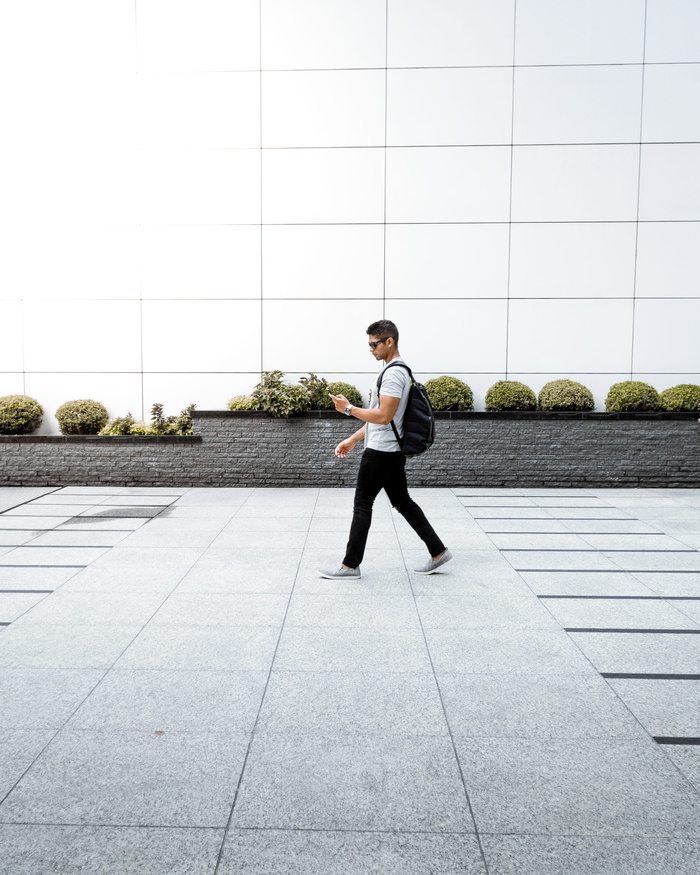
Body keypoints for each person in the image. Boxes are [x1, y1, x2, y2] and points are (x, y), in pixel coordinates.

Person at [318, 319, 453, 579]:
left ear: (389, 341)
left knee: (362, 504)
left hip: (381, 453)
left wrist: (348, 409)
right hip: (390, 449)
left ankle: (350, 566)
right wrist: (354, 439)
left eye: (373, 344)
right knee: (402, 501)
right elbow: (384, 421)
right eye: (369, 344)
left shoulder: (393, 373)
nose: (371, 349)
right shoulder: (398, 371)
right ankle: (438, 551)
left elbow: (382, 415)